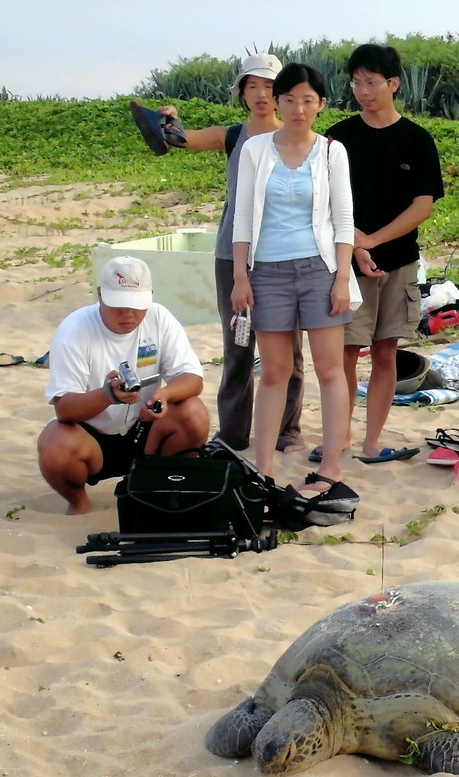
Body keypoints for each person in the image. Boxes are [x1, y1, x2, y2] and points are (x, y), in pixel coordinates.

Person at [156, 54, 305, 453]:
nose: (261, 94)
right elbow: (178, 138)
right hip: (231, 254)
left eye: (271, 87)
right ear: (241, 93)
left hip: (283, 253)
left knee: (287, 346)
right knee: (237, 345)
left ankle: (287, 432)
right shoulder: (233, 135)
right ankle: (234, 433)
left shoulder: (297, 135)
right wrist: (166, 118)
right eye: (252, 86)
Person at [232, 63, 356, 499]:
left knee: (329, 370)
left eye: (307, 100)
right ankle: (263, 466)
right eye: (289, 99)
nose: (298, 108)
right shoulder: (256, 150)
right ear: (278, 102)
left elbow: (343, 221)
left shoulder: (330, 152)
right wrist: (239, 277)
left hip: (318, 270)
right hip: (267, 272)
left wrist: (342, 278)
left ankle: (332, 465)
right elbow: (242, 217)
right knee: (274, 372)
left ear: (321, 104)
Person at [325, 44, 444, 462]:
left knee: (385, 352)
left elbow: (423, 204)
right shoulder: (339, 138)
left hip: (400, 261)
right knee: (343, 353)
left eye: (371, 82)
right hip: (347, 263)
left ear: (393, 84)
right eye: (356, 83)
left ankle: (371, 441)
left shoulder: (416, 138)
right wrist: (356, 243)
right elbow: (324, 200)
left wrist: (374, 240)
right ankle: (337, 438)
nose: (363, 91)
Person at [38, 256, 209, 515]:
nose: (128, 315)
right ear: (99, 295)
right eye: (118, 305)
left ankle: (164, 488)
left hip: (144, 429)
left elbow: (192, 377)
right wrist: (107, 395)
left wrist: (164, 395)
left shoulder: (160, 318)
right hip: (91, 435)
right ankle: (79, 504)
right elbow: (64, 409)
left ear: (149, 296)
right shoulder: (74, 329)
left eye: (136, 305)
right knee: (54, 443)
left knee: (193, 412)